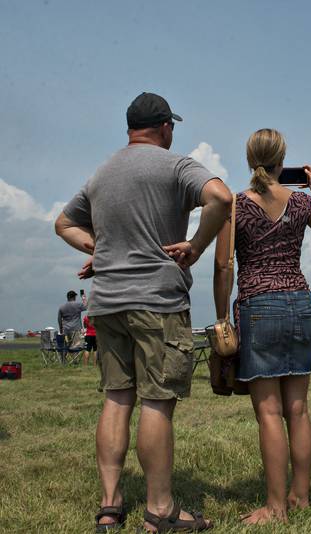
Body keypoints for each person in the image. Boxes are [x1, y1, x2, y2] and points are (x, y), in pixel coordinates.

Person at [55, 92, 230, 532]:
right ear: (165, 127)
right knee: (156, 401)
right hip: (156, 301)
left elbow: (64, 223)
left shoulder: (102, 172)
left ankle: (110, 507)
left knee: (116, 400)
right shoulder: (176, 166)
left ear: (130, 128)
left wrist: (101, 248)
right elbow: (221, 198)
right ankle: (160, 510)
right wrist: (196, 244)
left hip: (108, 303)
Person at [213, 128, 311, 524]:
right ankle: (300, 497)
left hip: (258, 305)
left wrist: (222, 317)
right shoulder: (302, 201)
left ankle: (275, 508)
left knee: (269, 413)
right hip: (300, 302)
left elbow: (223, 266)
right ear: (282, 159)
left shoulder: (234, 206)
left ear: (249, 158)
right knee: (298, 410)